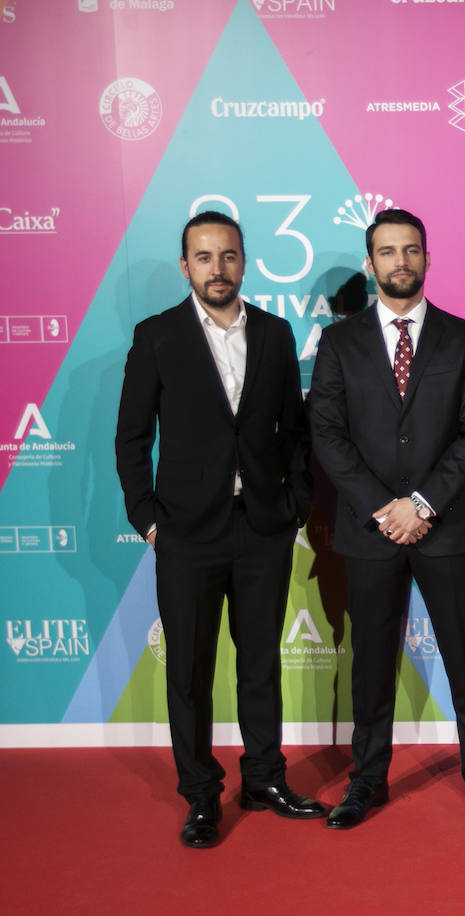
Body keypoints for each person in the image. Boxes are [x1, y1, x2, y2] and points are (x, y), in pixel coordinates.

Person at [115, 211, 323, 848]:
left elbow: (295, 431)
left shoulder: (276, 333)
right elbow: (131, 439)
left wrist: (296, 508)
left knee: (260, 665)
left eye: (228, 255)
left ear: (244, 260)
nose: (217, 268)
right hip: (186, 534)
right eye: (203, 258)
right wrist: (149, 521)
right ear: (186, 267)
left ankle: (263, 777)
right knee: (189, 673)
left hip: (261, 526)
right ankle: (202, 795)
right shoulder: (156, 337)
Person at [309, 208, 465, 829]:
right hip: (371, 529)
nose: (401, 261)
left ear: (426, 258)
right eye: (388, 251)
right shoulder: (340, 342)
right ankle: (366, 777)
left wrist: (421, 504)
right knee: (370, 657)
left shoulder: (463, 338)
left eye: (411, 250)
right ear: (371, 264)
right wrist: (384, 507)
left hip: (444, 524)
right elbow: (328, 433)